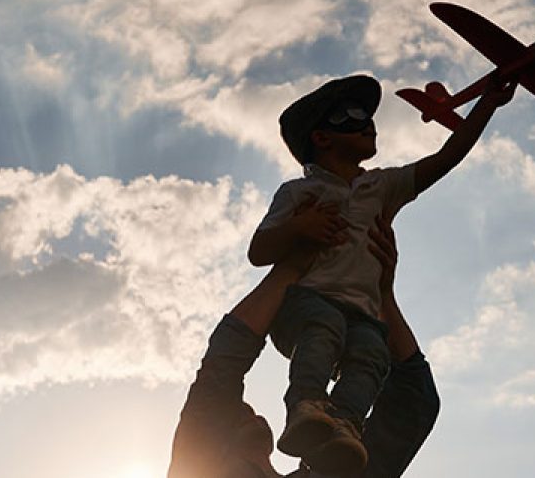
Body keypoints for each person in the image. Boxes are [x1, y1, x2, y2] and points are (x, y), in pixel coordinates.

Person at [247, 74, 516, 475]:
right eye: (353, 115)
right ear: (322, 138)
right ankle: (306, 406)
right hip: (305, 307)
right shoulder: (297, 193)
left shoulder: (382, 185)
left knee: (372, 356)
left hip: (364, 313)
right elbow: (258, 251)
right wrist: (296, 229)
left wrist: (486, 105)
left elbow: (446, 157)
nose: (368, 122)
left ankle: (343, 427)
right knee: (323, 327)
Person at [167, 212, 438, 478]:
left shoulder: (337, 464)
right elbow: (220, 371)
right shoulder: (197, 471)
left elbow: (414, 401)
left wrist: (378, 297)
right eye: (236, 410)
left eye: (242, 406)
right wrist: (290, 269)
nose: (247, 408)